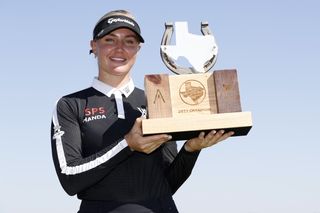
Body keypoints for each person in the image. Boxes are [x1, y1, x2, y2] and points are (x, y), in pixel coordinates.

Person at [50, 9, 234, 213]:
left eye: (129, 41)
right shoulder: (70, 104)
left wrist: (191, 149)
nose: (120, 49)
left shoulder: (158, 99)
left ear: (138, 48)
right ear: (93, 46)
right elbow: (69, 179)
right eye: (110, 40)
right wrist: (127, 144)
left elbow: (168, 185)